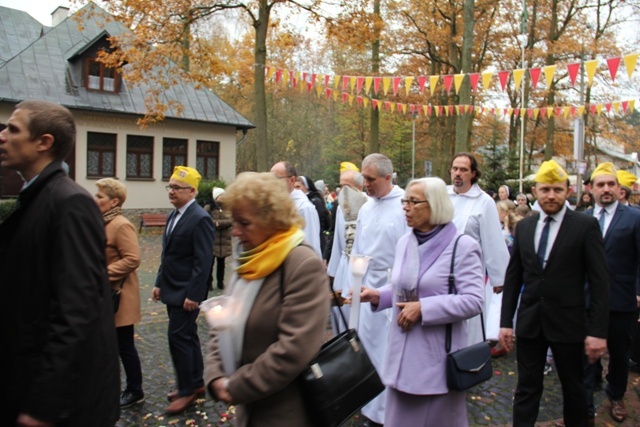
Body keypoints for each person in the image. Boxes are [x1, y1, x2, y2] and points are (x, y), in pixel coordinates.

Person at [0, 100, 119, 426]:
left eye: (12, 129)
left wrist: (43, 404)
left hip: (63, 406)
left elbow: (76, 309)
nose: (2, 136)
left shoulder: (70, 203)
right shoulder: (39, 197)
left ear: (44, 142)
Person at [204, 172, 329, 427]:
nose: (236, 231)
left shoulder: (301, 264)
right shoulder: (249, 259)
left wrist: (236, 386)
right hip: (247, 411)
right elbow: (223, 324)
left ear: (272, 219)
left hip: (285, 413)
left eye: (244, 223)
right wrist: (215, 374)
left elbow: (295, 349)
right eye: (233, 221)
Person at [360, 177, 484, 426]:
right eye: (405, 200)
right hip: (401, 357)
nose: (405, 206)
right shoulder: (406, 241)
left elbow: (473, 300)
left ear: (435, 205)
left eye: (414, 201)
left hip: (435, 362)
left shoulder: (463, 247)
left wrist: (425, 309)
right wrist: (379, 295)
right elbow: (404, 286)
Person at [499, 160, 609, 427]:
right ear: (535, 191)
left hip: (570, 324)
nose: (551, 195)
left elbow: (599, 282)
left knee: (574, 390)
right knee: (526, 388)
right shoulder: (524, 226)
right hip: (530, 323)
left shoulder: (585, 226)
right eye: (545, 189)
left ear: (568, 191)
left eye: (557, 190)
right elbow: (513, 277)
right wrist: (505, 323)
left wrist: (597, 332)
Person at [350, 153, 409, 426]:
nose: (366, 184)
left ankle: (389, 413)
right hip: (367, 286)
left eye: (371, 179)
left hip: (393, 288)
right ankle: (369, 407)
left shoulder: (405, 206)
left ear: (388, 178)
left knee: (390, 353)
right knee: (368, 352)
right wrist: (353, 282)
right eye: (364, 178)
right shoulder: (365, 208)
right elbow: (358, 250)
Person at [152, 166, 215, 415]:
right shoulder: (174, 215)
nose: (171, 191)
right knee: (187, 336)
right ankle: (197, 382)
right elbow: (168, 255)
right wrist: (158, 282)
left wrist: (194, 295)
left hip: (186, 292)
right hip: (171, 287)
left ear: (192, 191)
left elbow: (203, 261)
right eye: (169, 187)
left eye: (176, 188)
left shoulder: (200, 218)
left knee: (177, 338)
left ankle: (186, 389)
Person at [582, 162, 640, 424]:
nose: (606, 189)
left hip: (621, 298)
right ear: (591, 189)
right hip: (586, 300)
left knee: (618, 353)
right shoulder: (582, 218)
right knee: (584, 354)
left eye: (611, 184)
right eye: (600, 185)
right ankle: (584, 403)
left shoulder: (634, 217)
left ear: (619, 188)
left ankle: (616, 396)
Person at [447, 153, 509, 348]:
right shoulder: (442, 195)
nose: (458, 173)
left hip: (468, 272)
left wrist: (500, 278)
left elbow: (492, 239)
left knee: (468, 326)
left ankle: (467, 364)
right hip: (440, 270)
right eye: (455, 169)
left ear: (473, 174)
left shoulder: (484, 201)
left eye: (463, 170)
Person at [94, 178, 145, 408]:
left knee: (124, 346)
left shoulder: (121, 224)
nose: (95, 200)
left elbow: (133, 259)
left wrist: (102, 274)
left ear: (114, 201)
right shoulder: (103, 222)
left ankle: (135, 390)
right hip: (104, 295)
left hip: (120, 297)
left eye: (100, 197)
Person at [327, 166, 368, 333]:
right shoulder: (340, 207)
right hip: (344, 266)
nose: (342, 190)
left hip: (360, 267)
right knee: (340, 312)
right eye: (340, 186)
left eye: (347, 186)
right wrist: (334, 271)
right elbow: (337, 237)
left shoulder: (368, 205)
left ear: (359, 187)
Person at [270, 161, 322, 257]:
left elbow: (311, 244)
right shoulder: (273, 205)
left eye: (276, 178)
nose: (271, 183)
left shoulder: (305, 208)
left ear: (292, 180)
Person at [295, 175, 331, 257]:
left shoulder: (313, 202)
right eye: (295, 187)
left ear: (306, 187)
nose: (296, 190)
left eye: (298, 187)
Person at [205, 187, 232, 290]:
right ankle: (209, 283)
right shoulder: (209, 207)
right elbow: (207, 221)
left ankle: (220, 282)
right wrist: (215, 223)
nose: (223, 197)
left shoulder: (227, 208)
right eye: (221, 195)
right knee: (210, 263)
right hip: (212, 239)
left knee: (222, 263)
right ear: (216, 197)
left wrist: (218, 223)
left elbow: (231, 221)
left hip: (224, 240)